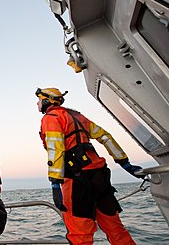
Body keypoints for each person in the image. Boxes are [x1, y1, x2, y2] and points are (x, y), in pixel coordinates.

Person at [35, 87, 145, 245]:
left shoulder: (51, 118)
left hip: (76, 180)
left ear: (47, 101)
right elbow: (105, 136)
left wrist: (55, 182)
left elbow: (55, 149)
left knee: (80, 235)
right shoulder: (78, 116)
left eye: (39, 100)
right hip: (100, 177)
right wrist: (124, 163)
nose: (37, 103)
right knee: (116, 230)